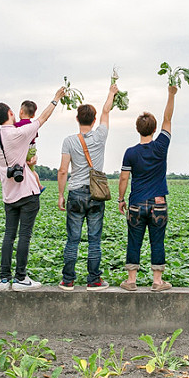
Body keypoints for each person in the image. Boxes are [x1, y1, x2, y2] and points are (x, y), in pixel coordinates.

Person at [0, 85, 65, 291]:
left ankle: (4, 279)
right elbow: (43, 118)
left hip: (8, 194)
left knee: (9, 235)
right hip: (27, 193)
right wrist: (55, 98)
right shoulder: (20, 132)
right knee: (25, 235)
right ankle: (20, 278)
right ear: (10, 113)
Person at [56, 83, 118, 291]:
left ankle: (68, 280)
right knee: (94, 240)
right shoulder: (101, 135)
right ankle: (94, 281)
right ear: (93, 121)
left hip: (75, 192)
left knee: (72, 240)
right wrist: (111, 92)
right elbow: (106, 111)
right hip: (95, 193)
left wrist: (60, 195)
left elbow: (63, 170)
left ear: (77, 119)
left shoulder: (68, 141)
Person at [117, 85, 178, 291]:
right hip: (159, 203)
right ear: (154, 129)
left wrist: (121, 199)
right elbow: (167, 119)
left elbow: (124, 178)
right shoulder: (161, 145)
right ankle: (157, 282)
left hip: (135, 203)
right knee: (157, 241)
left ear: (137, 129)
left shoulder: (130, 152)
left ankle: (131, 281)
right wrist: (171, 95)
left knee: (134, 240)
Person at [14, 100, 45, 192]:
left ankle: (30, 188)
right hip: (32, 149)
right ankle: (39, 185)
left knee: (21, 170)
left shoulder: (16, 125)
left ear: (21, 111)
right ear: (33, 115)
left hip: (23, 149)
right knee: (31, 170)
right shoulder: (32, 126)